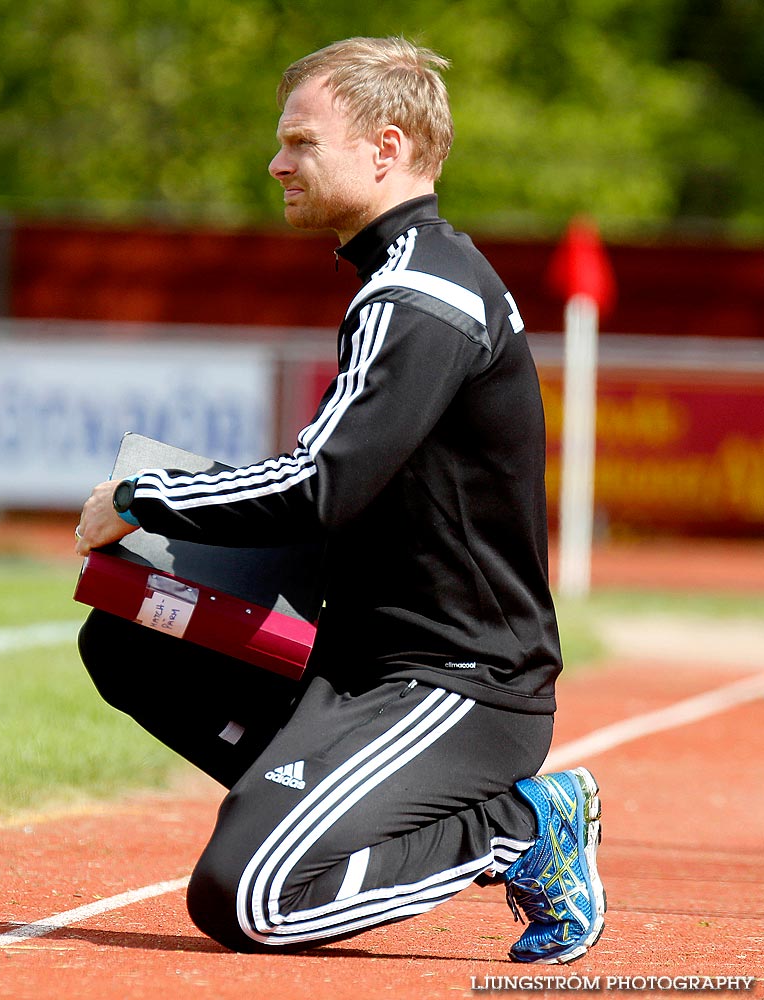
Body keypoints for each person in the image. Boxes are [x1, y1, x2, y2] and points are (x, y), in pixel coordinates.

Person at [74, 36, 605, 964]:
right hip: (360, 663)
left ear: (385, 149)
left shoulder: (422, 295)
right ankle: (311, 806)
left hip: (459, 683)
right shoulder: (402, 280)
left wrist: (140, 498)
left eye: (301, 142)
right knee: (129, 640)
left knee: (250, 899)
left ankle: (520, 824)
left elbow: (321, 483)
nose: (276, 162)